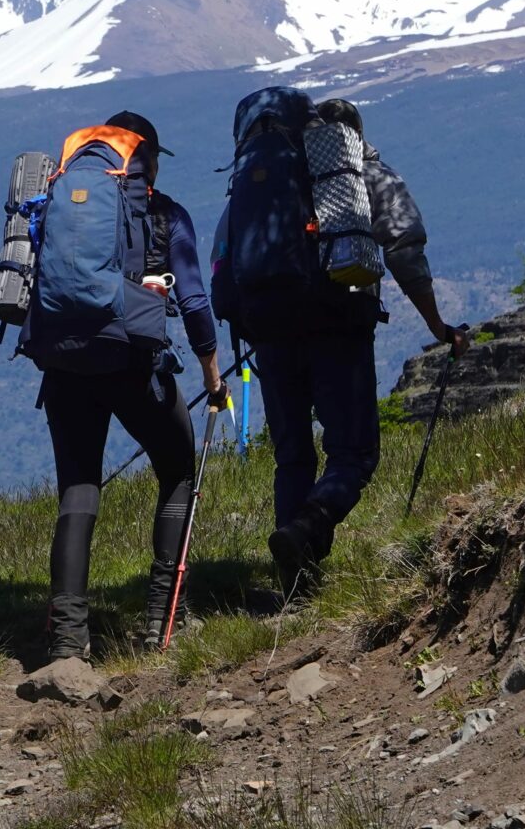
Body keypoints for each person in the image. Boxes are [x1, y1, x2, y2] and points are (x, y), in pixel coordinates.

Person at [255, 98, 468, 597]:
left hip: (272, 335)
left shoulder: (275, 183)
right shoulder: (371, 174)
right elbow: (405, 249)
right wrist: (438, 325)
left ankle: (297, 588)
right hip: (340, 327)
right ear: (356, 136)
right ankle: (308, 527)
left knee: (292, 458)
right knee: (354, 453)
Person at [38, 110, 224, 660]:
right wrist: (213, 378)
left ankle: (69, 642)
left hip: (64, 365)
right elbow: (192, 299)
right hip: (132, 366)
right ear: (149, 164)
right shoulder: (166, 217)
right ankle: (162, 616)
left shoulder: (60, 206)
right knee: (176, 469)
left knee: (78, 486)